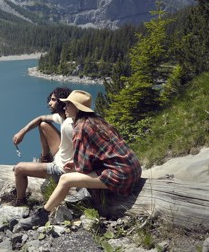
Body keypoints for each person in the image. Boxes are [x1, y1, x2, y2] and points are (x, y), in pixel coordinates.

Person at [19, 90, 142, 228]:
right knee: (75, 175)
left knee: (66, 179)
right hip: (134, 167)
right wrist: (76, 163)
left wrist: (76, 166)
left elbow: (84, 168)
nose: (64, 107)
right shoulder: (97, 120)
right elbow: (98, 152)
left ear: (76, 108)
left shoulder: (80, 127)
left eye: (68, 105)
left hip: (122, 175)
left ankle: (42, 215)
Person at [11, 87, 73, 206]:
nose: (49, 103)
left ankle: (20, 202)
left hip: (61, 168)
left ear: (62, 101)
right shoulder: (63, 117)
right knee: (43, 124)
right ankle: (45, 158)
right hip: (62, 155)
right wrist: (22, 132)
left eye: (53, 100)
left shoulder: (70, 124)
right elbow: (40, 118)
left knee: (19, 169)